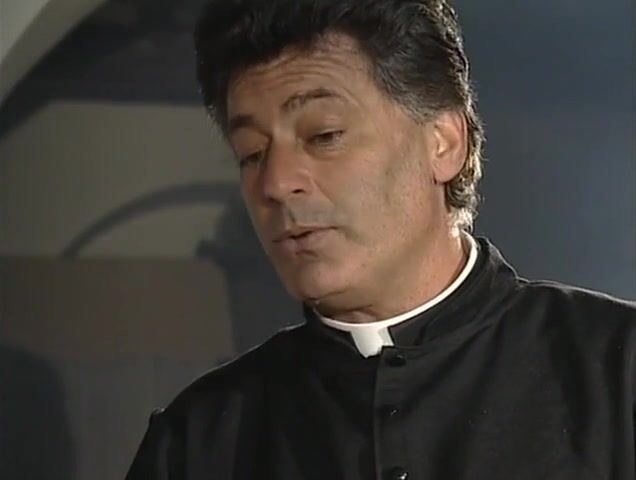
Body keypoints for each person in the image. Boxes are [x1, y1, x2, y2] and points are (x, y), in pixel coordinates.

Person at [126, 1, 636, 478]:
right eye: (252, 154)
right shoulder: (198, 441)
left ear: (444, 143)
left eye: (324, 136)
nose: (276, 183)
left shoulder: (618, 369)